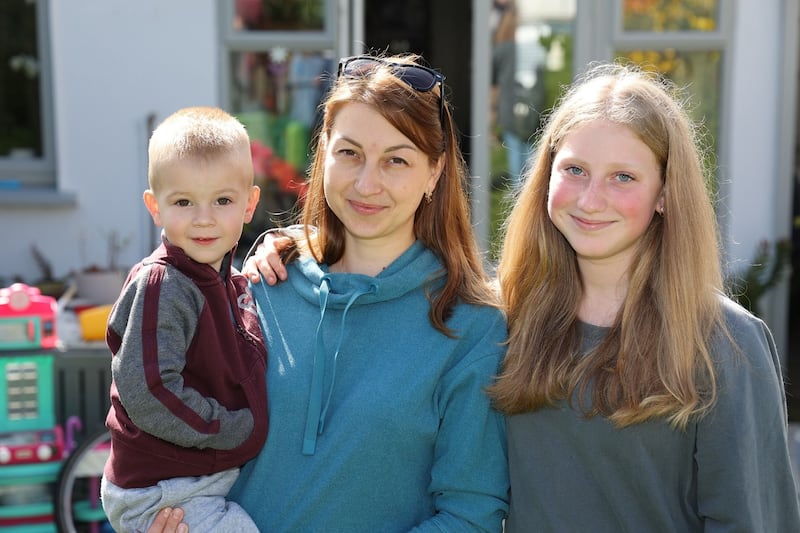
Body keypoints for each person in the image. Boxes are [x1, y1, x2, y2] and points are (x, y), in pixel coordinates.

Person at [148, 54, 509, 533]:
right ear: (324, 153)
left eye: (396, 160)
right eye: (350, 153)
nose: (366, 183)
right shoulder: (261, 284)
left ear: (434, 173)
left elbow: (471, 516)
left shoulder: (469, 325)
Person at [489, 62, 800, 531]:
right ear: (546, 176)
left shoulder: (725, 343)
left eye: (623, 177)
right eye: (574, 169)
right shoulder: (502, 320)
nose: (591, 200)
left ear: (664, 194)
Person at [101, 106, 266, 533]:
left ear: (250, 204)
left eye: (223, 200)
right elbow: (152, 391)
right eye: (183, 201)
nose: (204, 217)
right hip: (161, 490)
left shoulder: (227, 280)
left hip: (195, 474)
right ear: (155, 207)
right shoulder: (164, 284)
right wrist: (234, 429)